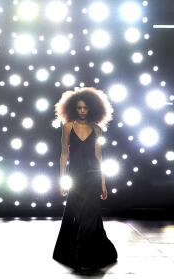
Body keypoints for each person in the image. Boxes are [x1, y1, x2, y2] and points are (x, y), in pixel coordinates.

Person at [52, 86, 118, 272]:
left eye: (85, 108)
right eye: (79, 107)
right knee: (78, 215)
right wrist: (62, 179)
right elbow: (64, 154)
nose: (82, 111)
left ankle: (85, 257)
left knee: (90, 215)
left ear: (91, 109)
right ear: (74, 108)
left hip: (93, 176)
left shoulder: (97, 129)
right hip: (76, 176)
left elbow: (99, 156)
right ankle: (82, 253)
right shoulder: (67, 127)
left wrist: (104, 182)